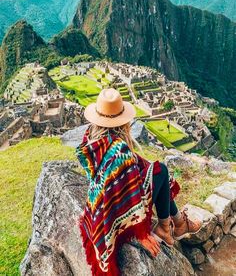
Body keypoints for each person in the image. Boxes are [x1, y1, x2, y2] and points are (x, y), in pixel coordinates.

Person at [76, 88, 202, 276]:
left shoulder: (92, 138)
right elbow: (129, 194)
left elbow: (120, 178)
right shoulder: (119, 152)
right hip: (112, 208)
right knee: (161, 171)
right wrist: (141, 233)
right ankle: (166, 228)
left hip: (100, 205)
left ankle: (177, 223)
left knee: (151, 167)